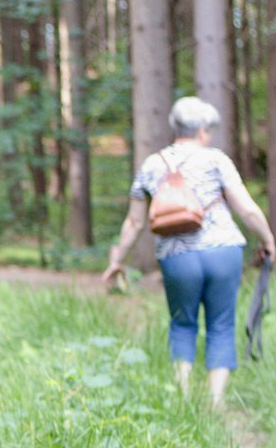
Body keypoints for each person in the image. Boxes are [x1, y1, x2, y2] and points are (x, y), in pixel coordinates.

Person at [102, 96, 276, 409]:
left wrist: (117, 260)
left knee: (182, 323)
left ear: (176, 128)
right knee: (221, 324)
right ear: (203, 131)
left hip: (176, 255)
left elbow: (134, 221)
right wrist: (268, 240)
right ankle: (216, 401)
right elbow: (247, 209)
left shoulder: (152, 164)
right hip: (223, 250)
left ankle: (182, 397)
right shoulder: (216, 159)